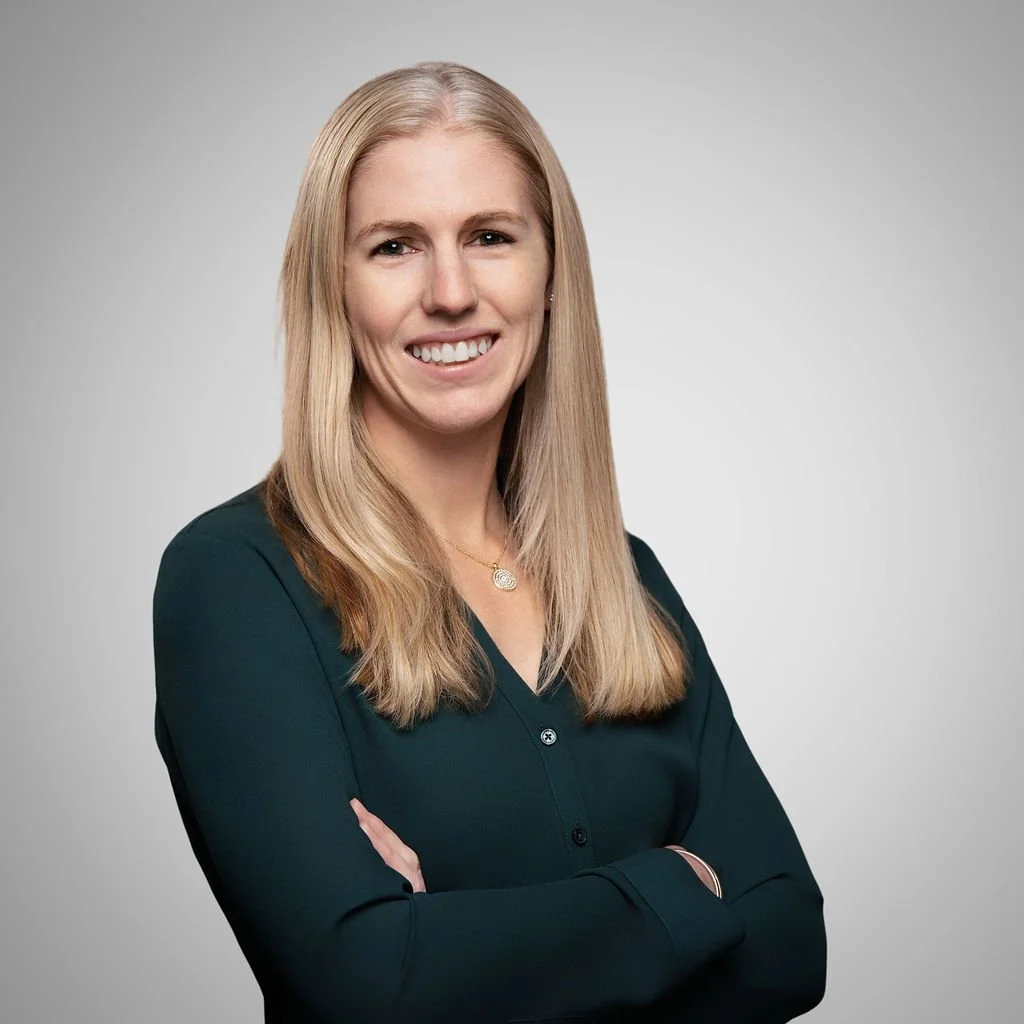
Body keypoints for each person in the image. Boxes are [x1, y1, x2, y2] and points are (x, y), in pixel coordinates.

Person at [152, 60, 826, 1023]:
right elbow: (368, 982)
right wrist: (683, 887)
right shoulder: (236, 582)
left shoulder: (627, 583)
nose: (452, 291)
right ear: (331, 288)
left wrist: (459, 943)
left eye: (490, 236)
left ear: (551, 273)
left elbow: (795, 943)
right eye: (394, 247)